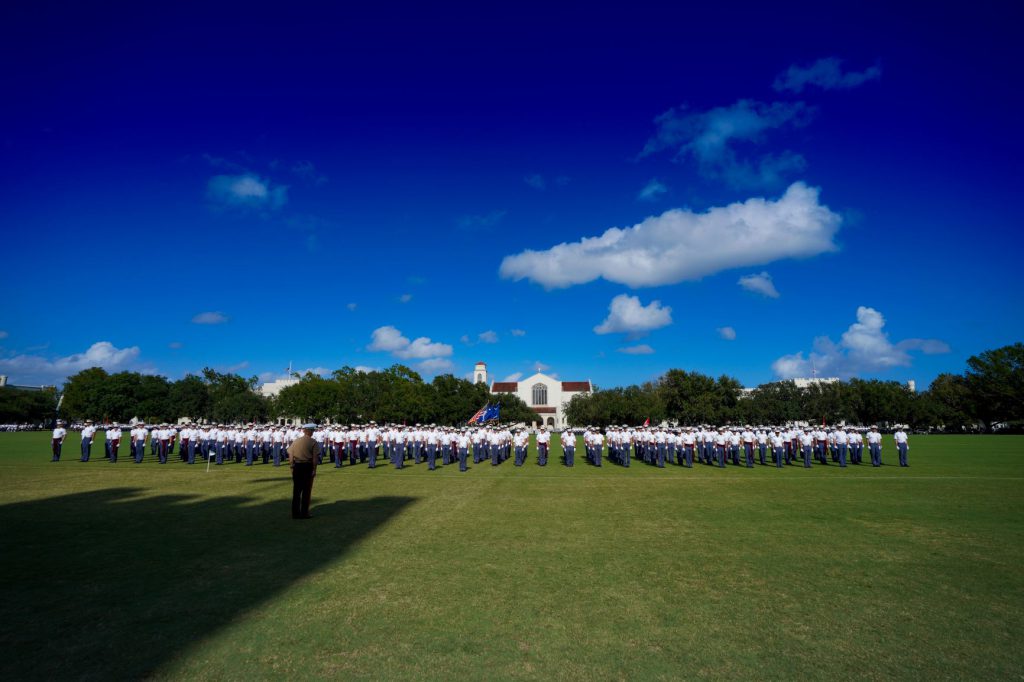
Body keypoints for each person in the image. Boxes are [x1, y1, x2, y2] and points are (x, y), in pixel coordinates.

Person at [287, 423, 321, 519]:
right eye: (312, 431)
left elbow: (290, 455)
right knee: (306, 491)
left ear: (304, 431)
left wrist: (291, 466)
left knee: (296, 491)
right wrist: (314, 470)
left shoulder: (296, 441)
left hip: (297, 466)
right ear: (310, 431)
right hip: (307, 466)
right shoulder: (313, 442)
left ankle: (295, 513)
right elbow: (315, 459)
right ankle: (304, 513)